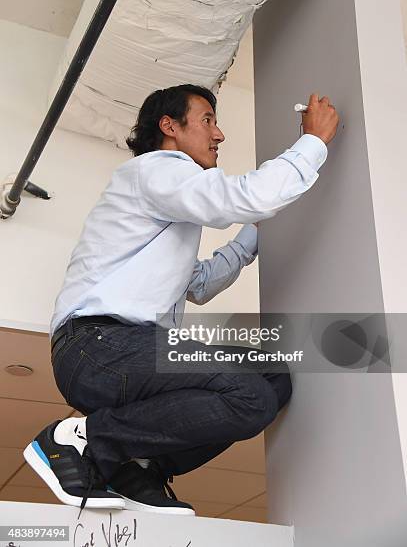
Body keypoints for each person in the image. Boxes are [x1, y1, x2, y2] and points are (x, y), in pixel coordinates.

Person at [23, 85, 339, 516]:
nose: (219, 133)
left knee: (270, 377)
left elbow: (200, 282)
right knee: (249, 397)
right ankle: (84, 439)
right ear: (169, 127)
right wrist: (313, 142)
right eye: (208, 119)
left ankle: (139, 466)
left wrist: (255, 235)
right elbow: (242, 197)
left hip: (125, 347)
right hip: (97, 346)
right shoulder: (156, 170)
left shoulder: (162, 212)